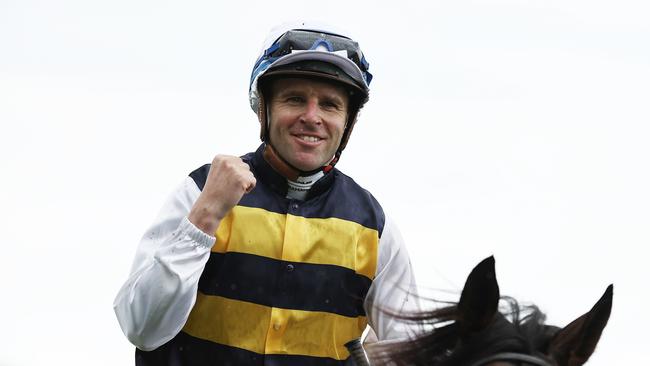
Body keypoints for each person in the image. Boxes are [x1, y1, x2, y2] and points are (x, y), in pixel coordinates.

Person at [113, 21, 418, 365]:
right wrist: (204, 218)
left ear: (348, 122)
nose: (312, 116)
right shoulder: (199, 192)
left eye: (330, 105)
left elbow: (411, 350)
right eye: (295, 99)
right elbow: (142, 328)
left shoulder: (374, 226)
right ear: (264, 109)